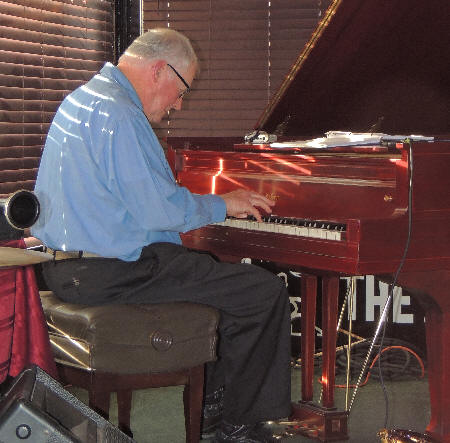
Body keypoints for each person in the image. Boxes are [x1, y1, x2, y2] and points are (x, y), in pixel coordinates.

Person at [32, 28, 292, 443]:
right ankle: (240, 424)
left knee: (212, 276)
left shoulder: (80, 100)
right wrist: (224, 204)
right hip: (112, 273)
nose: (179, 103)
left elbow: (131, 207)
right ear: (158, 69)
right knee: (262, 293)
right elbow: (160, 209)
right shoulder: (121, 115)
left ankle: (214, 403)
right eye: (182, 89)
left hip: (65, 269)